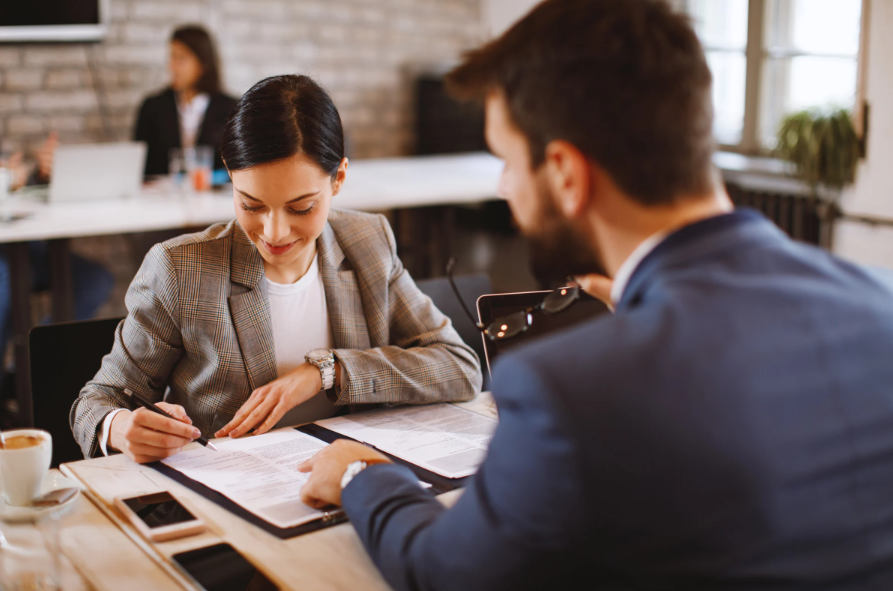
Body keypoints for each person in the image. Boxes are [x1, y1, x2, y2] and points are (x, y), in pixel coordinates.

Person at [297, 1, 893, 589]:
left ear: (565, 174)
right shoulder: (879, 302)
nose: (505, 186)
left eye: (506, 162)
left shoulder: (569, 387)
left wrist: (362, 477)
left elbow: (444, 573)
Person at [70, 74, 482, 462]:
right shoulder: (181, 269)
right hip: (232, 496)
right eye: (251, 205)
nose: (274, 232)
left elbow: (460, 367)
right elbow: (97, 402)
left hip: (348, 485)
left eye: (301, 207)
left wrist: (328, 371)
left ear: (338, 178)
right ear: (230, 175)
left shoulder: (368, 241)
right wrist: (120, 428)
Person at [0, 135, 114, 400]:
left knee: (95, 279)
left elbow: (16, 184)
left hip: (25, 245)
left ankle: (29, 373)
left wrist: (39, 173)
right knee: (7, 279)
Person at [134, 25, 237, 178]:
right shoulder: (152, 107)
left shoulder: (231, 109)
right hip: (160, 199)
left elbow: (240, 167)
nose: (172, 67)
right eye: (172, 57)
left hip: (214, 199)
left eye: (181, 58)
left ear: (203, 63)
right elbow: (139, 166)